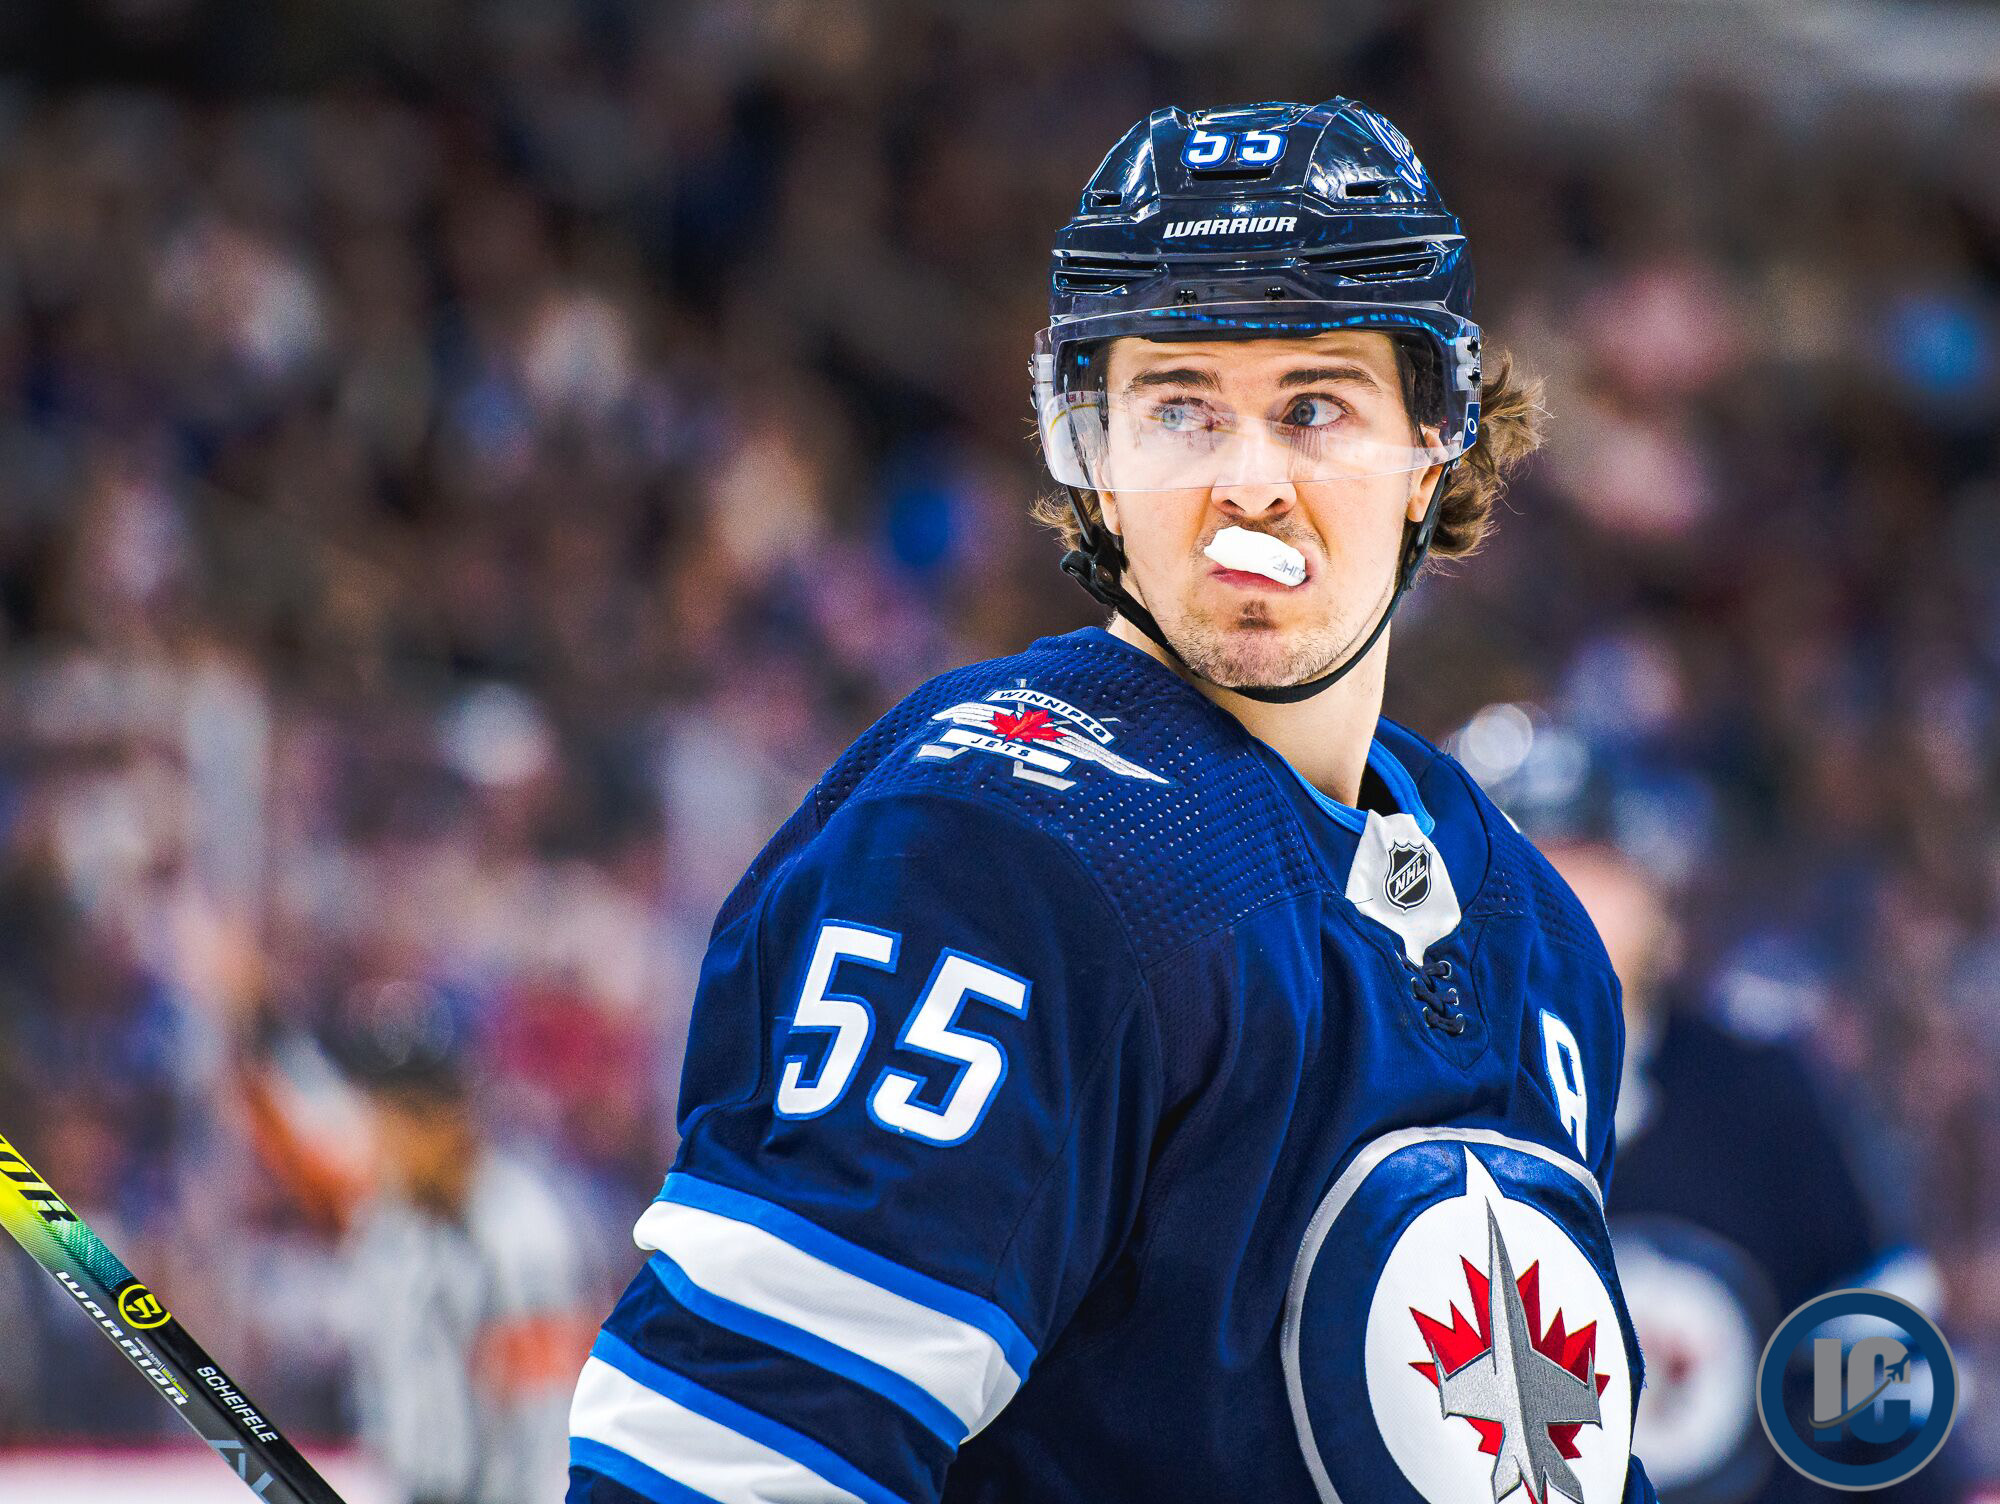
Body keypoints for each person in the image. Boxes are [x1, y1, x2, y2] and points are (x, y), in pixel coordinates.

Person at [567, 97, 1660, 1504]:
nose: (1247, 482)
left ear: (1435, 440)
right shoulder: (1002, 841)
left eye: (1315, 405)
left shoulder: (1541, 939)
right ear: (1089, 444)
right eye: (1179, 407)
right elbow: (735, 1463)